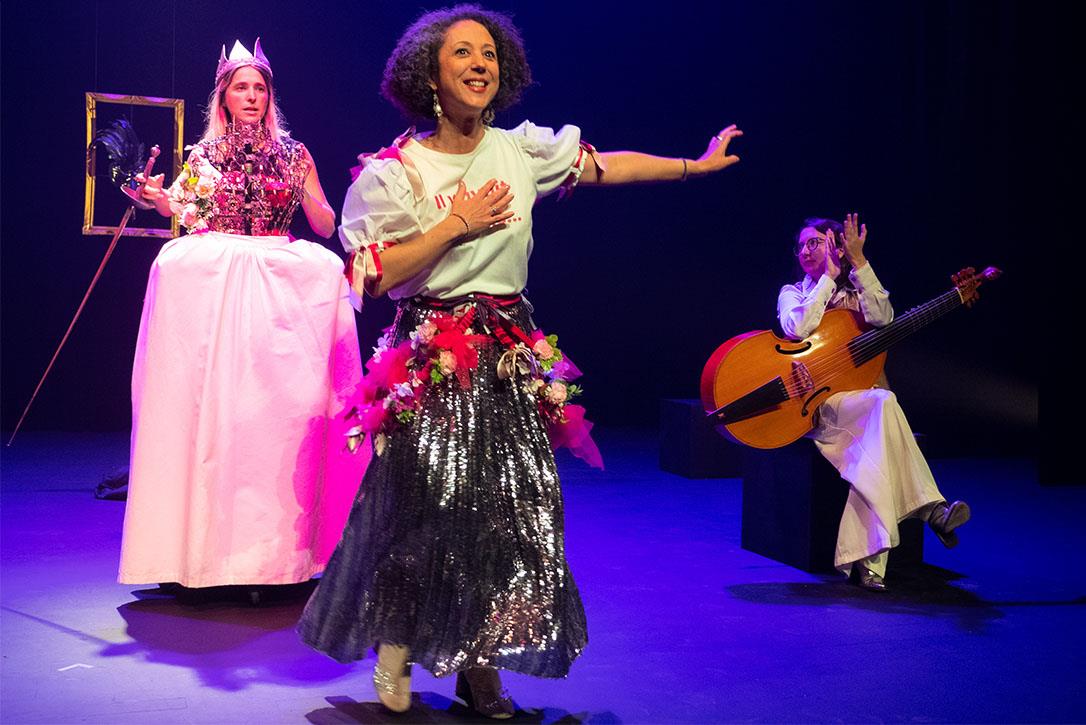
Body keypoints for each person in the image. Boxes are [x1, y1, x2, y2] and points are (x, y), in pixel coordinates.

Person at [297, 4, 743, 717]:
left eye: (489, 54)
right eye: (462, 53)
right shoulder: (396, 171)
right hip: (434, 357)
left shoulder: (520, 150)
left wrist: (695, 165)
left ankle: (482, 664)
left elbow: (608, 167)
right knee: (425, 507)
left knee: (513, 512)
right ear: (429, 75)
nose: (480, 64)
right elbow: (372, 274)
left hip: (508, 353)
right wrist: (455, 223)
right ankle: (397, 647)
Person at [118, 40, 367, 593]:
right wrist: (156, 198)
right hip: (220, 277)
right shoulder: (205, 155)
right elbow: (183, 210)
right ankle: (201, 551)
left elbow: (325, 225)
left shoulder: (295, 153)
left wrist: (316, 193)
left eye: (259, 88)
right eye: (241, 88)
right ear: (224, 97)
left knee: (276, 410)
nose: (251, 96)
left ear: (269, 97)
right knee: (215, 403)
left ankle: (280, 550)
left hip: (278, 274)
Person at [777, 213, 971, 591]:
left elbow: (884, 319)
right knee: (885, 404)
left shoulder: (857, 291)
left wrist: (860, 263)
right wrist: (828, 279)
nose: (805, 250)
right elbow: (796, 328)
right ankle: (931, 510)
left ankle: (872, 562)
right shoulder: (794, 291)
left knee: (881, 414)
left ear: (836, 246)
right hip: (819, 406)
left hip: (863, 402)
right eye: (800, 245)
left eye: (814, 242)